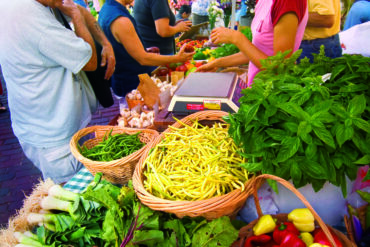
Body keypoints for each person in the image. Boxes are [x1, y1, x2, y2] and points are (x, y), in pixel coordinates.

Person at [0, 0, 115, 184]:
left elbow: (81, 11)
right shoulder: (29, 17)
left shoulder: (38, 4)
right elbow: (90, 62)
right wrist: (76, 18)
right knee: (77, 194)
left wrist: (105, 43)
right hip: (56, 138)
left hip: (53, 125)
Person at [197, 0, 308, 87]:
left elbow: (280, 67)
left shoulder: (287, 2)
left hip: (270, 94)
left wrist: (237, 38)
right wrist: (218, 63)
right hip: (257, 89)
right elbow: (256, 51)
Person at [98, 0, 194, 98]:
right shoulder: (120, 19)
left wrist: (141, 48)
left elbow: (120, 47)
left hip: (125, 79)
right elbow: (143, 59)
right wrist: (177, 58)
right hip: (132, 85)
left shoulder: (107, 9)